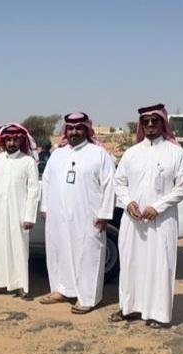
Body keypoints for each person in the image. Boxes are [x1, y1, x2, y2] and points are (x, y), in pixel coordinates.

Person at [110, 104, 183, 327]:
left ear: (163, 123)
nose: (150, 125)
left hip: (162, 221)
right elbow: (119, 182)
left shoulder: (176, 153)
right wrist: (128, 202)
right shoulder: (131, 153)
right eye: (146, 122)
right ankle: (129, 308)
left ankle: (159, 314)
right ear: (141, 125)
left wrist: (158, 206)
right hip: (133, 220)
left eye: (155, 121)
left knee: (160, 264)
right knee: (131, 263)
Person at [39, 112, 115, 313]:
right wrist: (45, 207)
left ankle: (88, 298)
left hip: (88, 216)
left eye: (78, 128)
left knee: (88, 255)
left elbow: (110, 184)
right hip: (58, 216)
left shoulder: (98, 154)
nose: (74, 132)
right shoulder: (58, 154)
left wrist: (105, 213)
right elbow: (46, 181)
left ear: (86, 130)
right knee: (59, 251)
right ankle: (62, 290)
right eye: (70, 128)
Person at [0, 123, 40, 300]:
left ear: (21, 141)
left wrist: (29, 216)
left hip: (18, 213)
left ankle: (21, 286)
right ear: (3, 141)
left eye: (15, 139)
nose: (12, 143)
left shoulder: (28, 162)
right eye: (8, 139)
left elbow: (33, 191)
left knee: (18, 249)